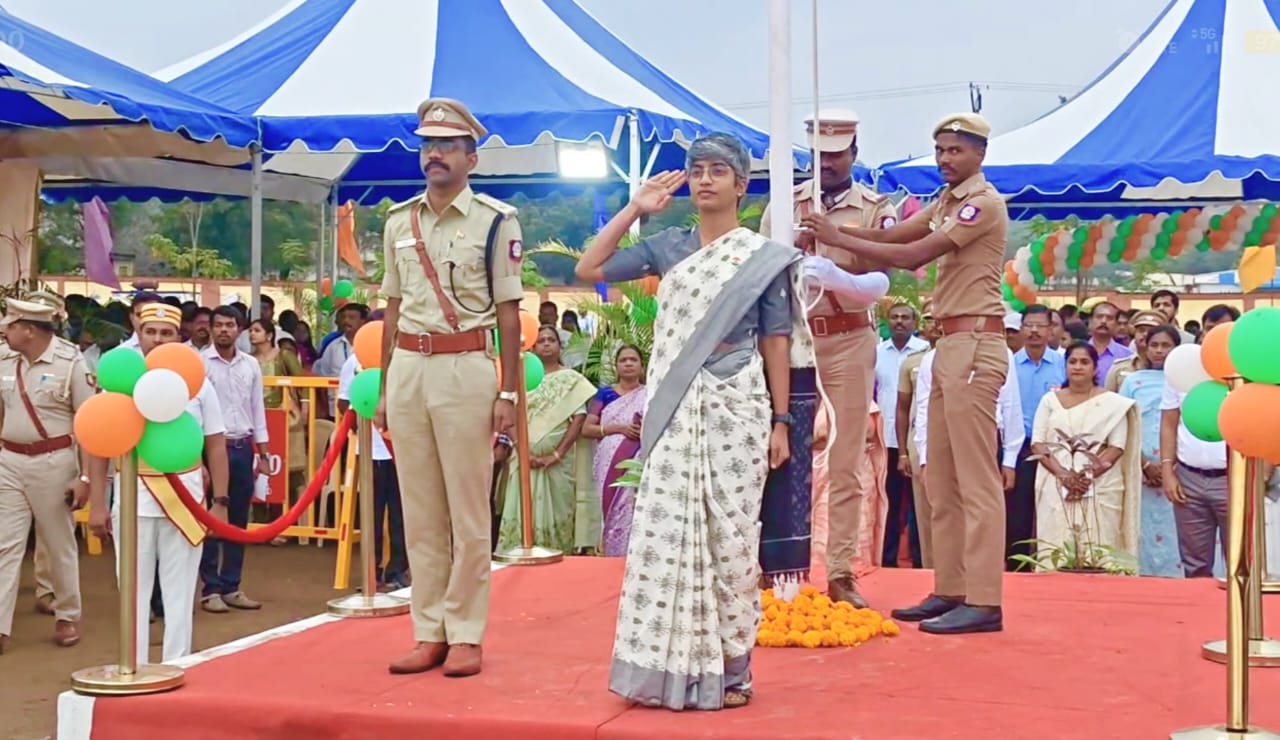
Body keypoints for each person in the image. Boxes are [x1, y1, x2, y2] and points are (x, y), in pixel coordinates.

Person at [577, 133, 797, 710]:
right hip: (675, 410)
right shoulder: (668, 245)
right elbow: (588, 266)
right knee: (668, 534)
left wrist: (781, 420)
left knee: (731, 539)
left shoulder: (762, 256)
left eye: (717, 171)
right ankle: (664, 668)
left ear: (740, 185)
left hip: (737, 406)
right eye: (696, 170)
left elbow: (776, 340)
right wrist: (635, 208)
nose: (704, 180)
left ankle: (731, 671)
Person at [802, 112, 1009, 634]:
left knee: (975, 477)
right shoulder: (945, 201)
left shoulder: (981, 204)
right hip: (949, 343)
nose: (945, 159)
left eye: (956, 151)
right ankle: (952, 587)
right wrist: (834, 234)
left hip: (977, 341)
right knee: (938, 473)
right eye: (940, 150)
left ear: (979, 154)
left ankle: (984, 598)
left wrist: (836, 239)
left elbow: (914, 253)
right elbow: (892, 234)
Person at [375, 98, 522, 678]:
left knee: (467, 508)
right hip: (409, 367)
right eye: (427, 145)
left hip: (467, 368)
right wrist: (386, 384)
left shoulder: (494, 220)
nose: (433, 154)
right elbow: (391, 306)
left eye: (447, 146)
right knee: (420, 509)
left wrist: (508, 392)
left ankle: (465, 632)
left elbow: (509, 314)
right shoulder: (397, 221)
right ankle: (427, 628)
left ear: (472, 157)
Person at [759, 108, 893, 603]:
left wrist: (838, 277)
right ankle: (774, 564)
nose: (829, 166)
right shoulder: (783, 204)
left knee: (845, 457)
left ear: (854, 154)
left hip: (848, 336)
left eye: (837, 157)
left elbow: (882, 280)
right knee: (778, 449)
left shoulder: (874, 209)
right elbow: (760, 272)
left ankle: (840, 571)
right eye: (820, 157)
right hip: (792, 335)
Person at [87, 303, 230, 664]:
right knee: (132, 589)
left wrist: (221, 502)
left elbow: (215, 443)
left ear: (178, 337)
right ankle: (132, 664)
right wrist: (98, 504)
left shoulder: (196, 383)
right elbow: (99, 440)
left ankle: (176, 663)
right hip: (134, 496)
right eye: (150, 331)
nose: (157, 338)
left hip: (185, 497)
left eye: (166, 333)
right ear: (138, 330)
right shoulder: (120, 381)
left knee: (180, 590)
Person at [0, 297, 96, 653]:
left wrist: (85, 477)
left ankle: (67, 614)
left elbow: (88, 425)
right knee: (5, 544)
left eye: (10, 324)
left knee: (59, 544)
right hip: (9, 459)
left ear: (29, 329)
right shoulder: (4, 358)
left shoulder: (71, 361)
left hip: (54, 462)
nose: (4, 329)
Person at [1029, 341, 1140, 569]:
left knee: (1099, 552)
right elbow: (1038, 444)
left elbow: (1116, 447)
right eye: (1072, 361)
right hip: (1055, 482)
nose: (1078, 367)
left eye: (1084, 362)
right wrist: (1064, 475)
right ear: (1065, 366)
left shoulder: (1113, 403)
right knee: (1056, 549)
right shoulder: (1049, 400)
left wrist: (1085, 477)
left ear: (1095, 368)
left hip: (1101, 485)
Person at [495, 326, 597, 554]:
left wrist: (556, 454)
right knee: (522, 510)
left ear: (560, 347)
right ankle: (519, 555)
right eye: (541, 340)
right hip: (523, 460)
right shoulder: (519, 380)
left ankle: (559, 555)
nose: (547, 344)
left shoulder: (571, 380)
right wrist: (523, 452)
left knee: (560, 510)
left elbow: (578, 418)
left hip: (560, 463)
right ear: (533, 346)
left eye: (552, 339)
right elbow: (509, 416)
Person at [199, 306, 269, 613]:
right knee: (213, 518)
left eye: (230, 325)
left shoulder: (251, 365)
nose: (224, 330)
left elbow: (258, 409)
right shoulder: (199, 364)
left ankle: (232, 585)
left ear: (239, 330)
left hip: (243, 447)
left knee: (239, 519)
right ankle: (210, 588)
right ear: (211, 329)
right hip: (211, 447)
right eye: (219, 325)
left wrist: (264, 453)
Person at [1118, 325, 1183, 577]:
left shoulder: (1186, 382)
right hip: (1140, 470)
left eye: (1166, 346)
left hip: (1178, 470)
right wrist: (1144, 464)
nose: (1159, 351)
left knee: (1178, 530)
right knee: (1141, 529)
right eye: (1154, 345)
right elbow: (1122, 425)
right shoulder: (1134, 381)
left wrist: (1171, 465)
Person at [338, 354, 408, 589]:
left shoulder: (404, 357)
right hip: (371, 451)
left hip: (402, 450)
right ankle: (372, 571)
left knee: (401, 514)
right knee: (371, 515)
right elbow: (344, 401)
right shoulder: (355, 362)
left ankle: (398, 571)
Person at [810, 402, 889, 584]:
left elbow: (869, 432)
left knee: (852, 520)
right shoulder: (804, 391)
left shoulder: (856, 391)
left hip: (854, 467)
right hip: (816, 469)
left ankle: (847, 576)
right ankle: (819, 576)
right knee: (819, 527)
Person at [582, 345, 647, 557]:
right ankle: (612, 554)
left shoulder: (649, 393)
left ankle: (633, 555)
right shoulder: (605, 394)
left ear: (642, 366)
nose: (628, 364)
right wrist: (618, 428)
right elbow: (587, 428)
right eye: (623, 360)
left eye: (633, 360)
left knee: (632, 507)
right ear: (616, 366)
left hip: (637, 462)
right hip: (608, 461)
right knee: (611, 507)